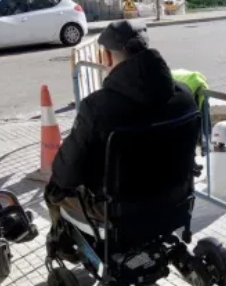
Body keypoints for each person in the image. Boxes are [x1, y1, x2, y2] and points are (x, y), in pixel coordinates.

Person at [45, 20, 198, 226]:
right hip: (175, 200)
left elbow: (66, 173)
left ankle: (64, 243)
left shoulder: (97, 107)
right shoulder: (185, 97)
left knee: (54, 192)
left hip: (119, 213)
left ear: (107, 56)